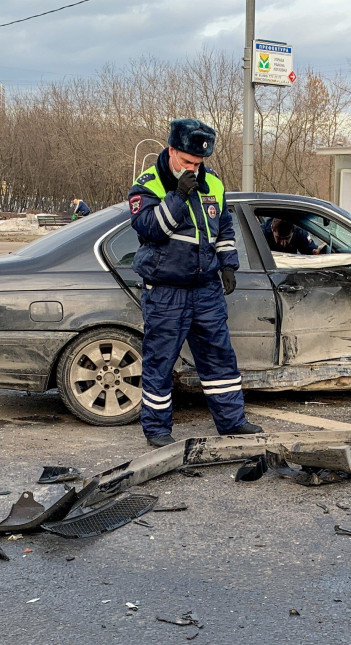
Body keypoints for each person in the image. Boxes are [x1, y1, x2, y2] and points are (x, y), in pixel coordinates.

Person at [128, 117, 262, 448]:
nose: (194, 167)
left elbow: (225, 228)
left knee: (220, 358)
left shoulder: (212, 183)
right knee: (160, 362)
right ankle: (157, 430)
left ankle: (232, 422)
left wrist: (228, 263)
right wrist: (177, 195)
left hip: (206, 289)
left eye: (199, 162)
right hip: (166, 290)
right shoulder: (148, 185)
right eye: (187, 161)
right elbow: (149, 229)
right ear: (171, 150)